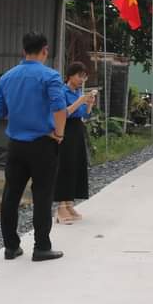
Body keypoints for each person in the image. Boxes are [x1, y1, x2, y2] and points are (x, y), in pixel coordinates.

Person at [0, 32, 68, 262]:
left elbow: (0, 112)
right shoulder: (50, 76)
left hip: (16, 145)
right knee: (43, 196)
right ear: (45, 50)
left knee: (11, 195)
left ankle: (11, 247)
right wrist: (59, 133)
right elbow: (59, 107)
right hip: (43, 145)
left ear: (23, 50)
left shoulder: (7, 77)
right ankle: (42, 247)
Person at [54, 62, 96, 225]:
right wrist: (80, 101)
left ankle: (69, 203)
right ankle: (60, 207)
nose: (81, 80)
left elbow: (83, 116)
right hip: (65, 130)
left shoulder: (78, 92)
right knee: (65, 165)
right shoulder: (62, 91)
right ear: (70, 75)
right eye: (79, 76)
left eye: (84, 77)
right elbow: (64, 112)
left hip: (77, 129)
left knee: (76, 165)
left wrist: (89, 104)